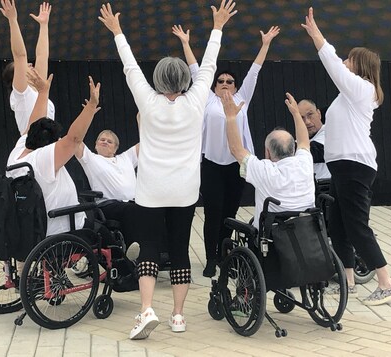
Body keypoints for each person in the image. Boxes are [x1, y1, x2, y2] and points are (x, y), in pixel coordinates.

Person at [98, 0, 236, 340]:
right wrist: (217, 26)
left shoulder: (148, 100)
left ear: (158, 79)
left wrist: (118, 32)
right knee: (179, 249)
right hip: (185, 190)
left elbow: (130, 68)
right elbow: (209, 64)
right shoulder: (197, 100)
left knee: (148, 247)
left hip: (149, 190)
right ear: (185, 79)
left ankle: (146, 310)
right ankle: (177, 316)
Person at [302, 7, 391, 305]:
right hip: (343, 166)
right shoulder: (348, 94)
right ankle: (349, 282)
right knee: (341, 226)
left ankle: (386, 282)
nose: (345, 60)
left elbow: (332, 64)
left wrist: (317, 35)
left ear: (360, 66)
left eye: (350, 58)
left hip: (355, 165)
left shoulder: (362, 88)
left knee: (356, 225)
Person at [172, 23, 280, 278]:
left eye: (229, 81)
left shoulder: (242, 98)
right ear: (214, 84)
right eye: (220, 81)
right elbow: (195, 70)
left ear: (235, 85)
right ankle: (211, 258)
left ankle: (223, 255)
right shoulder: (207, 99)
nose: (224, 84)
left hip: (236, 166)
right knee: (213, 214)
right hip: (211, 166)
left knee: (229, 214)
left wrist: (265, 45)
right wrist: (186, 44)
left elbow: (255, 71)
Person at [7, 67, 101, 236]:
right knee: (103, 229)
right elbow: (74, 138)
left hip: (29, 228)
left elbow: (35, 121)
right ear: (51, 145)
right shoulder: (43, 158)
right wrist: (91, 106)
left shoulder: (19, 151)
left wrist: (43, 92)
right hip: (61, 228)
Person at [222, 91, 315, 228]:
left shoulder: (264, 171)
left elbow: (236, 149)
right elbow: (304, 141)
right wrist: (295, 113)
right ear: (293, 149)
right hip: (306, 233)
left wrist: (230, 117)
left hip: (272, 239)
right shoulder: (304, 163)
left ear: (267, 152)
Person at [75, 128, 139, 247]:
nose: (105, 142)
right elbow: (75, 139)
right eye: (102, 140)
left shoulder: (126, 157)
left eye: (109, 141)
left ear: (115, 148)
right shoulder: (90, 158)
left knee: (153, 209)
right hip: (107, 205)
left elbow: (147, 143)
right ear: (95, 145)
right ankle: (133, 251)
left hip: (133, 203)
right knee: (132, 210)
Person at [0, 0, 55, 135]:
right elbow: (20, 55)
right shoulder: (21, 93)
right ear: (17, 75)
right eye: (25, 66)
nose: (30, 64)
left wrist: (43, 25)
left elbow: (42, 56)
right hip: (30, 148)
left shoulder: (36, 89)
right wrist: (12, 20)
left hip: (47, 145)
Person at [298, 99, 331, 180]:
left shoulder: (330, 132)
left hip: (326, 188)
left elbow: (316, 151)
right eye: (301, 118)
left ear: (319, 114)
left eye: (310, 114)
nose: (307, 122)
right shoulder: (299, 141)